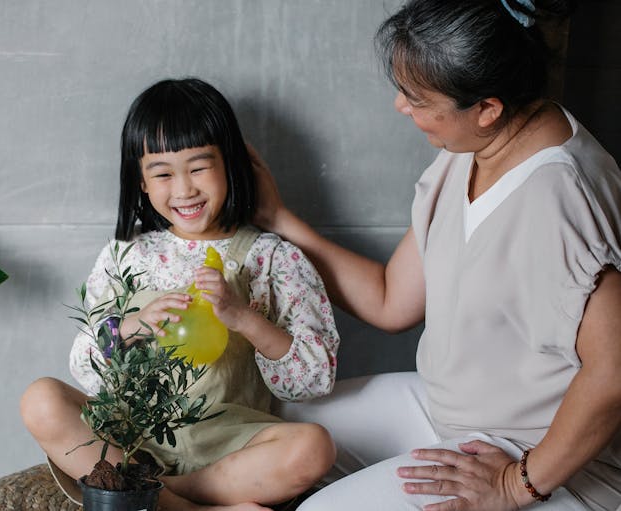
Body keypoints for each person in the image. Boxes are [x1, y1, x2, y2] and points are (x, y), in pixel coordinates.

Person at [252, 1, 621, 509]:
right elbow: (391, 301)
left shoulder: (559, 196)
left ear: (487, 108)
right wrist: (277, 219)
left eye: (417, 98)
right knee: (262, 425)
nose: (401, 107)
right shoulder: (469, 149)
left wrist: (517, 484)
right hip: (448, 410)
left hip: (539, 455)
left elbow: (615, 368)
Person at [20, 78, 339, 511]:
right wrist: (134, 325)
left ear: (231, 164)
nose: (185, 189)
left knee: (314, 448)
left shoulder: (272, 258)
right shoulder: (127, 256)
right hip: (130, 439)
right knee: (40, 399)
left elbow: (311, 381)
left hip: (228, 445)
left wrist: (243, 317)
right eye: (164, 173)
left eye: (199, 167)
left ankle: (160, 498)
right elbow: (86, 367)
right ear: (142, 181)